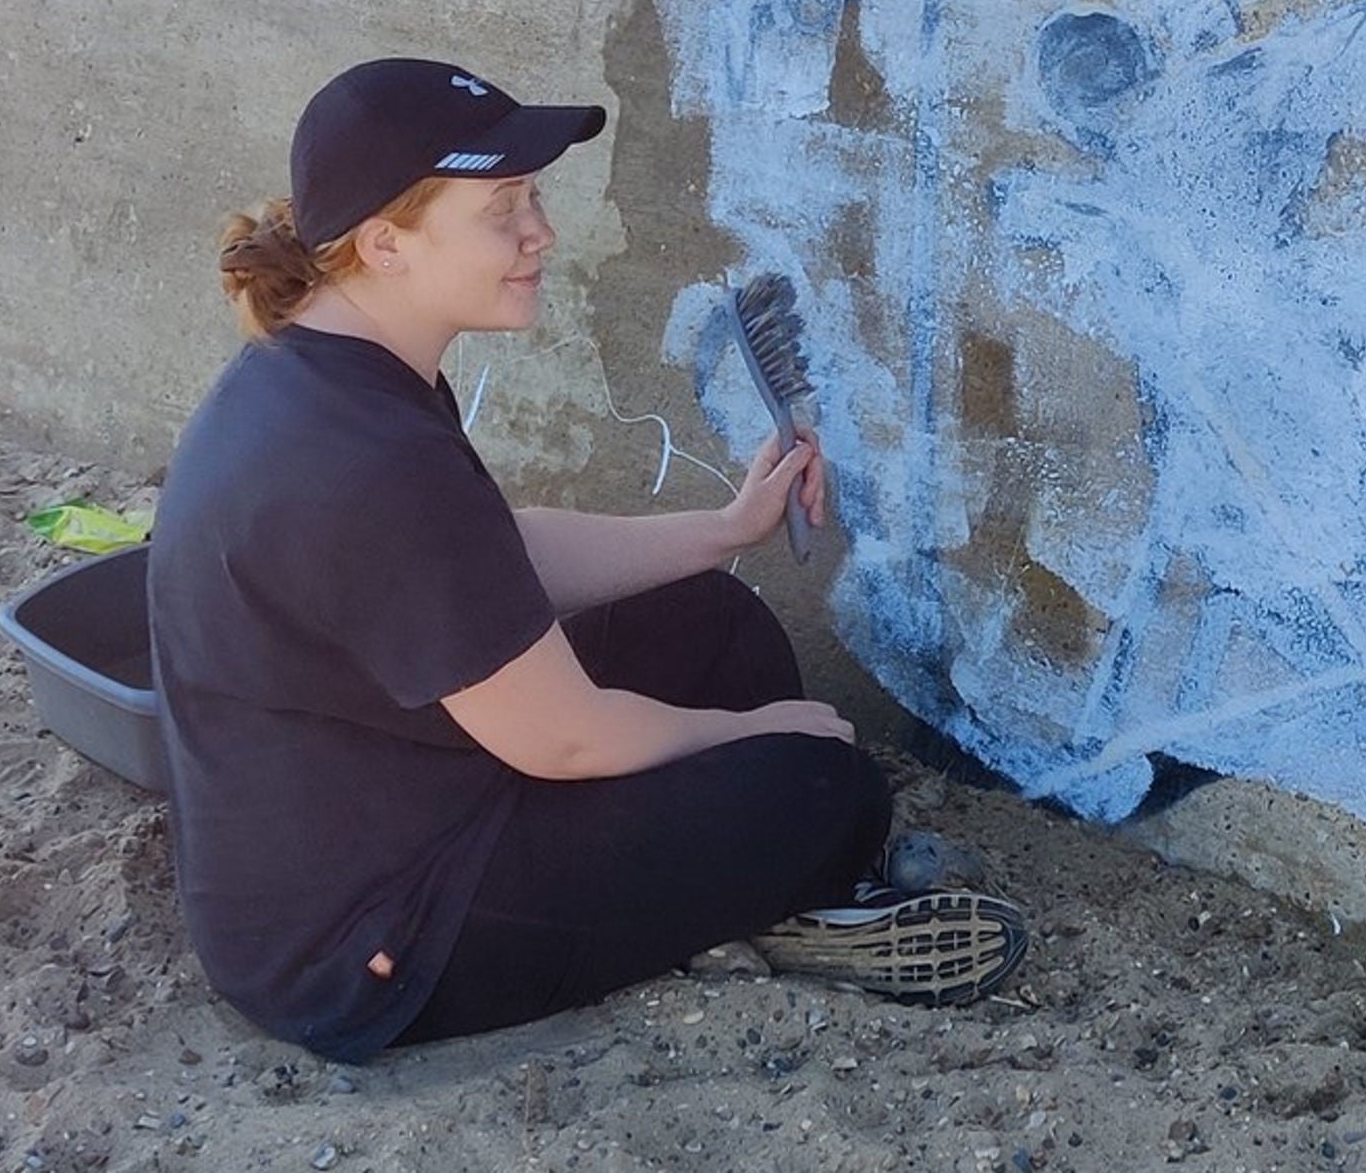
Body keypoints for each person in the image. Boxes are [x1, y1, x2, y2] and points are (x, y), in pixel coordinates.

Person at [146, 57, 1027, 1061]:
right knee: (824, 787)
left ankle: (736, 899)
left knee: (709, 620)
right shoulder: (367, 460)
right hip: (373, 946)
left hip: (385, 816)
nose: (540, 234)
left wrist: (724, 529)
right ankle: (780, 910)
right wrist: (752, 737)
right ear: (387, 243)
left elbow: (485, 557)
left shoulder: (322, 369)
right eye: (501, 209)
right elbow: (561, 742)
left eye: (534, 197)